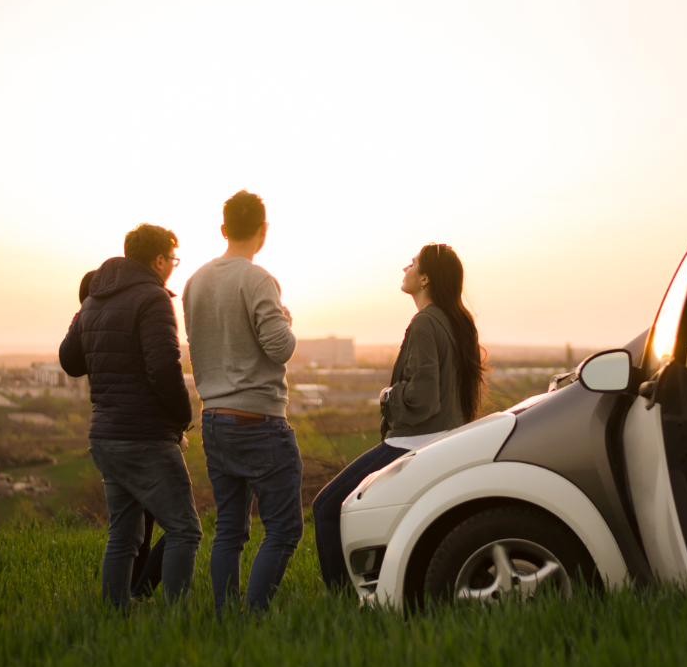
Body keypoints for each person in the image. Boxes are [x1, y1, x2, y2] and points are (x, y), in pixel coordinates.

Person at [312, 243, 486, 591]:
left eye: (412, 264)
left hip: (412, 442)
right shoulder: (455, 321)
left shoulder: (424, 323)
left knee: (327, 508)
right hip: (444, 441)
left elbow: (423, 396)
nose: (404, 269)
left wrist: (387, 396)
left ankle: (345, 603)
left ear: (424, 278)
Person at [60, 224, 202, 607]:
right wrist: (181, 420)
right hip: (144, 436)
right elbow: (164, 368)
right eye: (172, 259)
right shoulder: (153, 299)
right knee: (185, 529)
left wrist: (85, 314)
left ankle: (114, 616)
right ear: (158, 259)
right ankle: (177, 623)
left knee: (123, 534)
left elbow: (69, 361)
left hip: (105, 436)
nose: (172, 267)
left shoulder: (94, 299)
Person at [182, 190, 302, 618]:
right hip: (258, 420)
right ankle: (252, 617)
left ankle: (223, 617)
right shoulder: (257, 279)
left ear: (223, 229)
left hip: (213, 417)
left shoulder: (194, 281)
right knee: (285, 528)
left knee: (229, 529)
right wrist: (286, 319)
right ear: (263, 231)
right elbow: (280, 348)